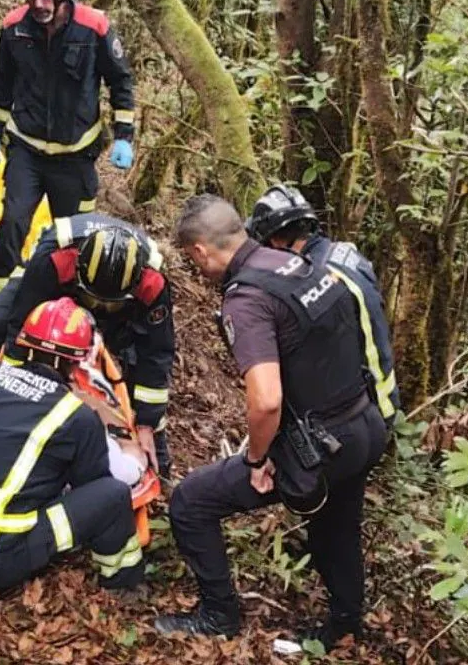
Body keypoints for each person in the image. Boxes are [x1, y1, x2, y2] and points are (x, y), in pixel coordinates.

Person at [155, 195, 387, 648]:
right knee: (336, 526)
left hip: (317, 449)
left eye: (193, 259)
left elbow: (265, 400)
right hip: (365, 426)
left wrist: (257, 459)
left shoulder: (247, 299)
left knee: (190, 502)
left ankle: (218, 616)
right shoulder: (300, 266)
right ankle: (345, 624)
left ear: (200, 252)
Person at [0, 297, 143, 595]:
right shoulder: (74, 416)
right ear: (77, 360)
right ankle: (122, 585)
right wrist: (130, 451)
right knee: (114, 496)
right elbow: (94, 489)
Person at [0, 0, 137, 301]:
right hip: (27, 151)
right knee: (13, 223)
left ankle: (65, 305)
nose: (38, 3)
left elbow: (120, 80)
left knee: (73, 237)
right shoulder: (13, 30)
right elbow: (1, 83)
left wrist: (124, 135)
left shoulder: (93, 27)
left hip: (75, 157)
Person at [0, 213, 175, 478]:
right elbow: (20, 326)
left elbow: (157, 352)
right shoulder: (54, 260)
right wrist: (13, 384)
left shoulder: (152, 283)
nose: (96, 307)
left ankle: (159, 463)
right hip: (57, 288)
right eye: (94, 300)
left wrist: (147, 421)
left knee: (137, 369)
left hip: (121, 309)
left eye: (105, 303)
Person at [246, 184, 400, 424]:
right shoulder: (341, 252)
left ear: (276, 239)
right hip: (382, 389)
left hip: (369, 403)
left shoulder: (318, 276)